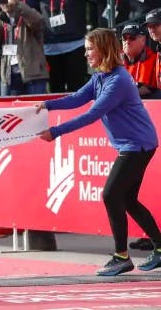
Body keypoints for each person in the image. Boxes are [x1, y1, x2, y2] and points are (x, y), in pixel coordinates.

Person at [36, 28, 161, 276]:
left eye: (89, 49)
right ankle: (158, 248)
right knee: (127, 199)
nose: (86, 54)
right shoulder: (100, 77)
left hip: (138, 145)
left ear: (103, 49)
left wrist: (56, 131)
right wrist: (47, 104)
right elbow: (77, 98)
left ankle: (121, 256)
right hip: (134, 145)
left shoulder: (118, 80)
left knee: (111, 195)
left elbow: (92, 114)